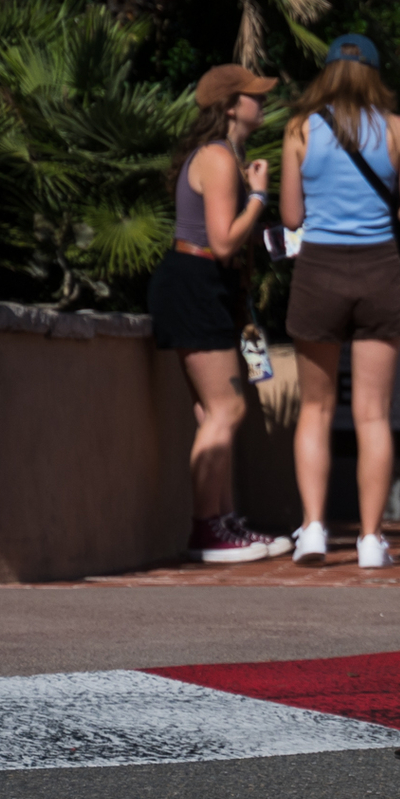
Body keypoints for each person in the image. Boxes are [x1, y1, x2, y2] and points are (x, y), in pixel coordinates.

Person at [281, 33, 400, 568]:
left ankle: (315, 529)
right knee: (371, 415)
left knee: (315, 410)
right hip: (378, 271)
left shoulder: (299, 129)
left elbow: (292, 217)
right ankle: (370, 539)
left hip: (319, 269)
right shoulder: (398, 130)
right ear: (373, 73)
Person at [148, 65, 291, 563]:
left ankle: (225, 523)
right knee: (226, 410)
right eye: (254, 96)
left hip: (206, 285)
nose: (262, 102)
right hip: (195, 283)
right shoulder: (216, 157)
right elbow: (225, 241)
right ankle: (208, 531)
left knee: (215, 413)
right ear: (231, 106)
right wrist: (258, 197)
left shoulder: (227, 155)